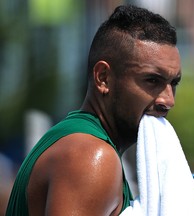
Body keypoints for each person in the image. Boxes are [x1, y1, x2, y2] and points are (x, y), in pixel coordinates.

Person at [6, 4, 181, 216]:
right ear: (103, 78)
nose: (168, 100)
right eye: (152, 80)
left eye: (173, 83)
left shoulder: (74, 139)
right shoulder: (91, 156)